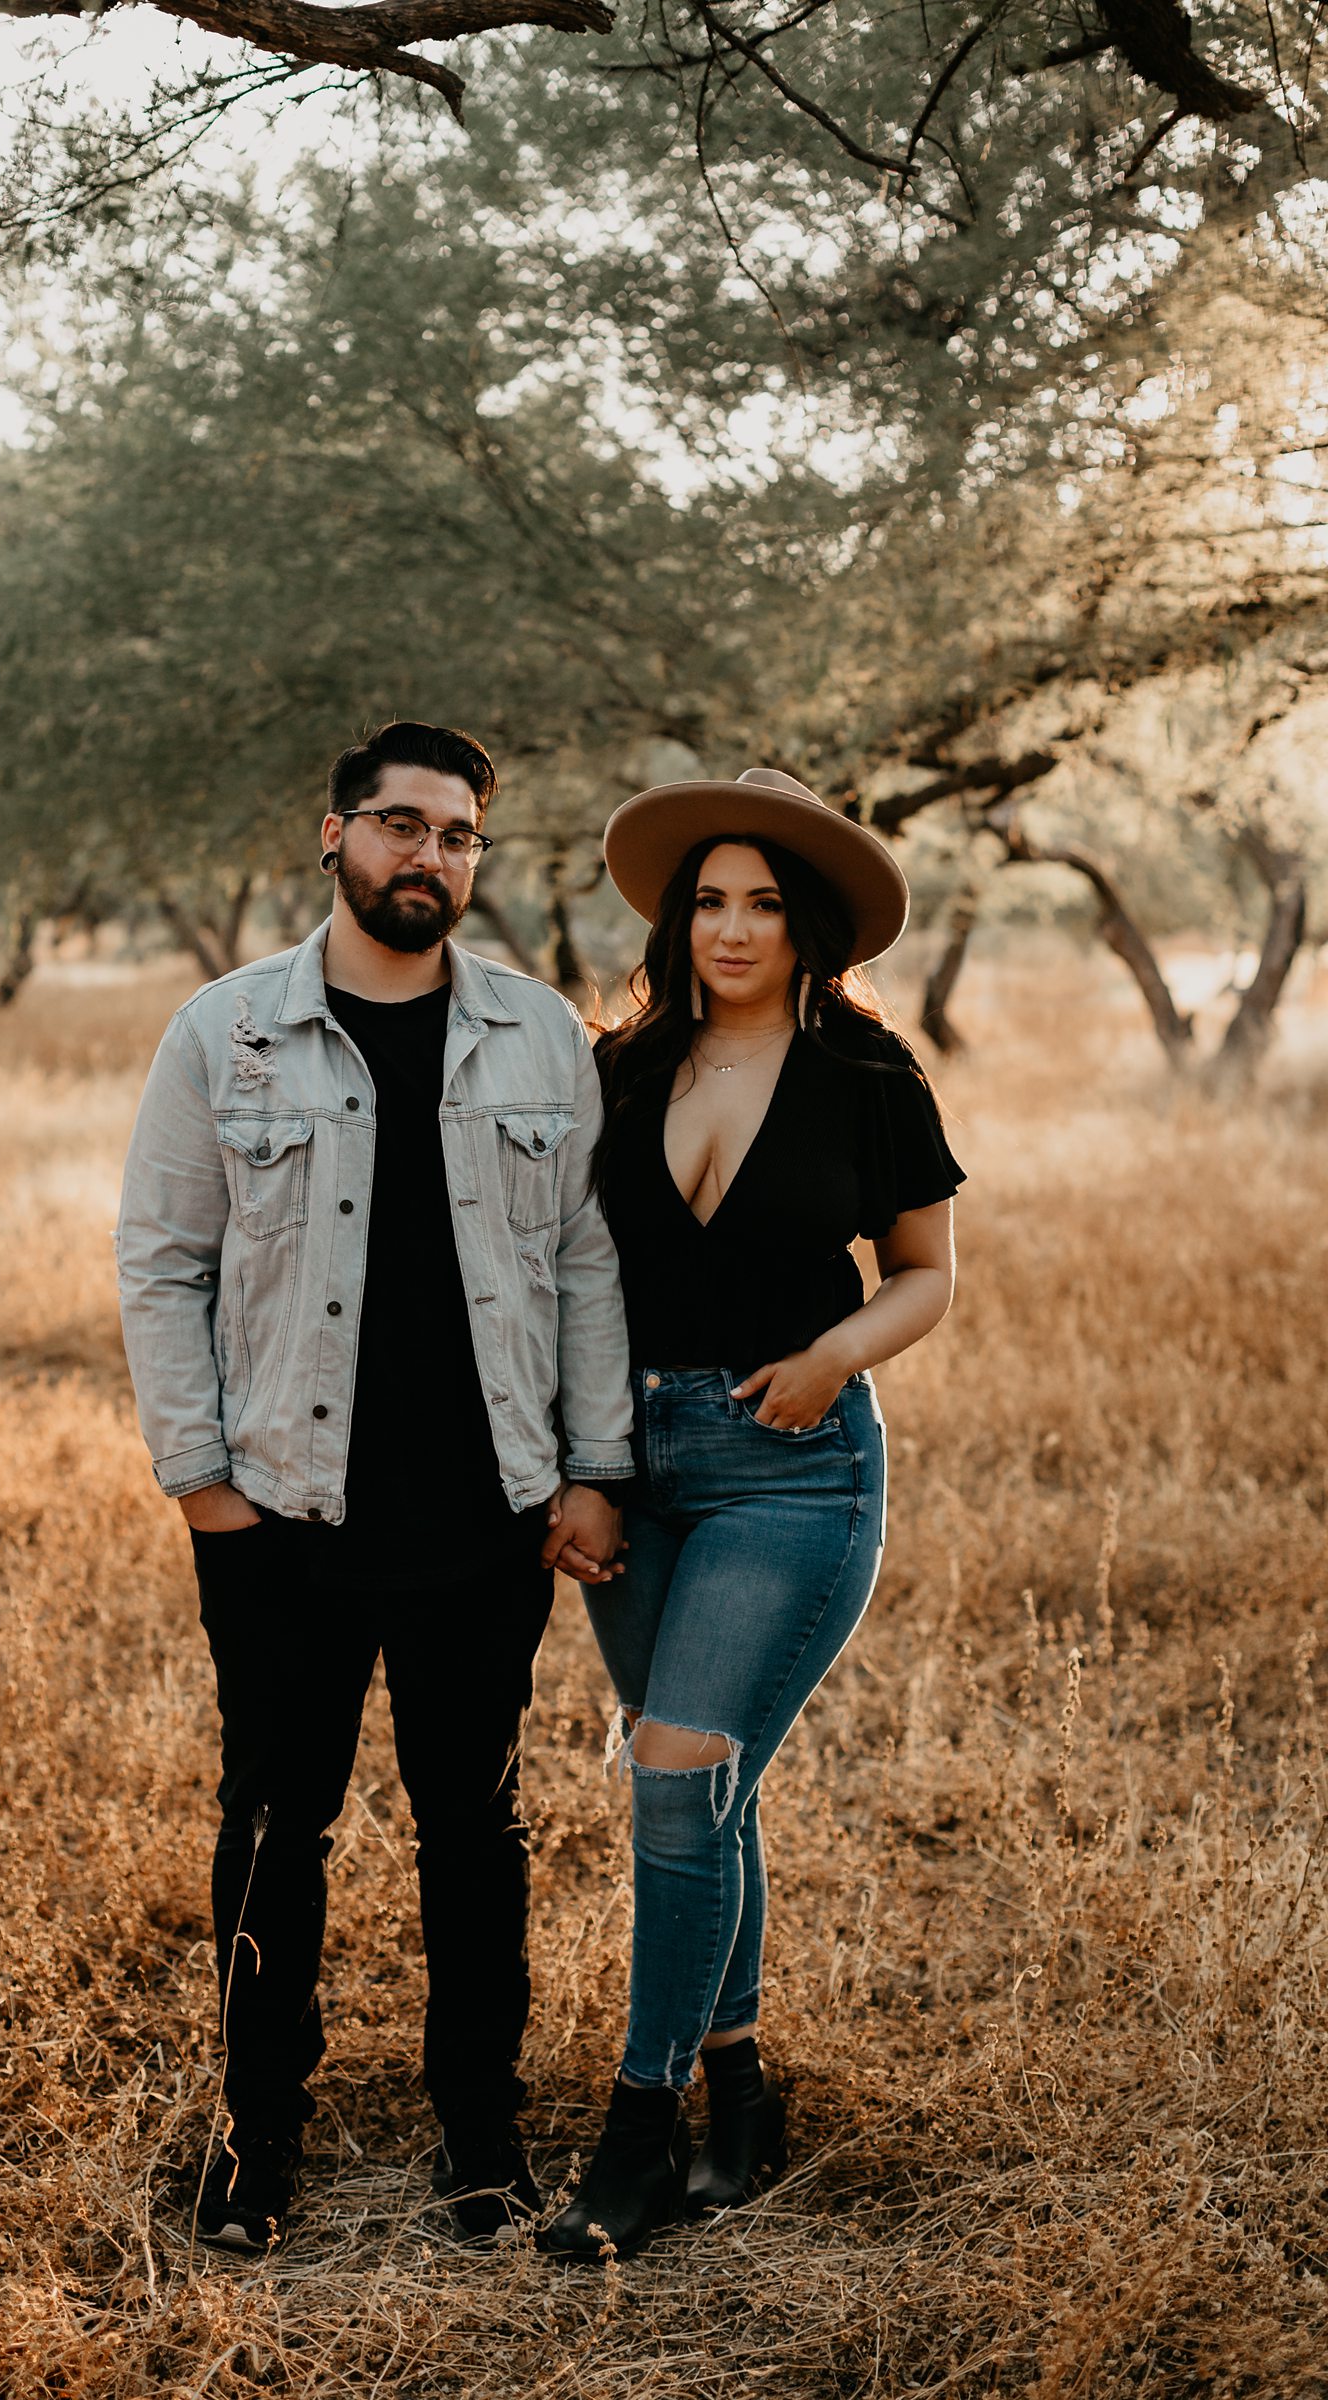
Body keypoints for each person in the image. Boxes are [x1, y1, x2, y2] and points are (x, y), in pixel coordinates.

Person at [115, 721, 633, 2252]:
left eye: (458, 834)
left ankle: (483, 2143)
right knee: (277, 1825)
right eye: (401, 824)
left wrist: (594, 1469)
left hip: (486, 1519)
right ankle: (255, 2138)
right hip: (281, 1509)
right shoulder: (229, 1031)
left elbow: (587, 1265)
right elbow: (163, 1262)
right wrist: (203, 1481)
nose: (430, 855)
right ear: (332, 835)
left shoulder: (540, 1036)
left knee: (475, 1833)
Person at [537, 768, 964, 2260]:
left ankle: (637, 2133)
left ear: (810, 925)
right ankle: (742, 2090)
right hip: (635, 1466)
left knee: (671, 1776)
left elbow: (925, 1271)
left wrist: (836, 1352)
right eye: (708, 899)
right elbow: (572, 1285)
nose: (730, 926)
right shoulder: (620, 1069)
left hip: (797, 1470)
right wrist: (584, 1470)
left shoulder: (870, 1077)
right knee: (706, 1792)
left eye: (763, 903)